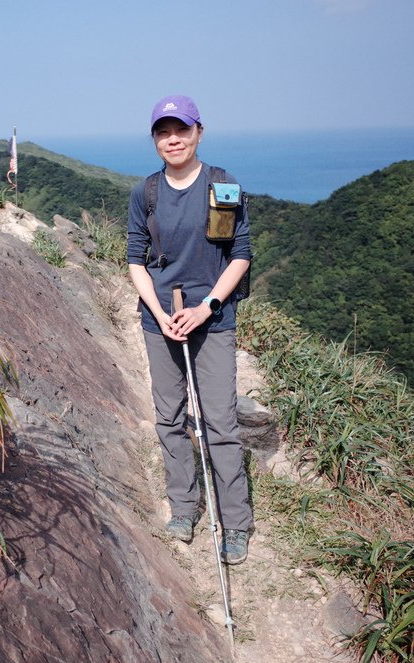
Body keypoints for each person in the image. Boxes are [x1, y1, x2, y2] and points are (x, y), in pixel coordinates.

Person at [126, 95, 253, 564]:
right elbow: (135, 260)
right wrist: (160, 315)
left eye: (181, 129)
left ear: (199, 132)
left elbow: (239, 254)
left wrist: (207, 307)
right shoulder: (147, 194)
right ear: (155, 139)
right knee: (170, 417)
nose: (172, 139)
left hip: (213, 320)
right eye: (163, 131)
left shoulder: (222, 185)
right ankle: (184, 507)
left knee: (220, 421)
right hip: (161, 321)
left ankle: (235, 522)